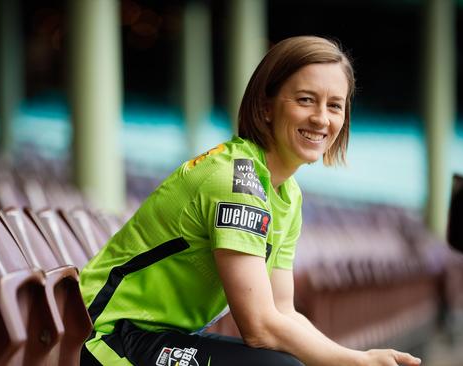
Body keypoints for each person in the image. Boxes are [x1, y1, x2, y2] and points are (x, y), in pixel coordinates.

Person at [78, 35, 422, 366]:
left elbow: (282, 311)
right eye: (305, 99)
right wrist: (352, 361)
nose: (321, 118)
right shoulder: (236, 181)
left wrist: (354, 358)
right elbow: (259, 327)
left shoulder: (287, 194)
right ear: (265, 106)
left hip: (159, 337)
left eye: (335, 106)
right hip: (103, 336)